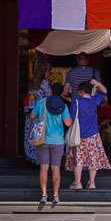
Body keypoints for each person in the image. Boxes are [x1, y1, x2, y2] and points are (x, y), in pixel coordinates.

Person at [29, 82, 73, 210]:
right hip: (58, 141)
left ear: (50, 92)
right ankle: (55, 195)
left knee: (43, 168)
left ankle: (43, 194)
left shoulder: (42, 102)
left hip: (42, 139)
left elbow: (32, 116)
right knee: (55, 169)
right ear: (61, 93)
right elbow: (68, 123)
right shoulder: (63, 105)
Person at [64, 79, 111, 189]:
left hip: (79, 135)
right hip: (93, 134)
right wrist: (99, 84)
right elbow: (104, 92)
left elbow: (71, 119)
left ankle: (77, 183)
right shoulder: (94, 101)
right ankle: (92, 182)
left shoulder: (76, 102)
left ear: (80, 91)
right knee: (93, 158)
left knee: (78, 159)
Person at [24, 58, 51, 164]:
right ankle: (39, 158)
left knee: (30, 133)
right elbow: (48, 97)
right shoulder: (45, 83)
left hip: (31, 112)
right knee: (40, 134)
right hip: (41, 113)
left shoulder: (33, 82)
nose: (49, 73)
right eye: (48, 71)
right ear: (45, 72)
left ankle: (31, 156)